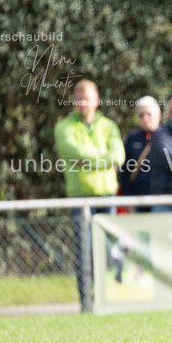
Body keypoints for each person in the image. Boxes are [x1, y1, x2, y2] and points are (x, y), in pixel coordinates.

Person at [53, 79, 125, 311]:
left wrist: (88, 162)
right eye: (79, 98)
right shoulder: (64, 126)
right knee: (84, 251)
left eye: (87, 98)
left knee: (109, 251)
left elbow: (119, 156)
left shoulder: (109, 125)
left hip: (107, 196)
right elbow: (72, 151)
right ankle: (86, 303)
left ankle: (109, 299)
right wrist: (104, 161)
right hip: (81, 197)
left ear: (97, 101)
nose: (82, 103)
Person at [119, 96, 167, 210]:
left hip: (163, 199)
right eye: (141, 115)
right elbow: (125, 171)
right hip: (138, 199)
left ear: (159, 116)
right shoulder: (132, 138)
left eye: (149, 114)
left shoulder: (167, 137)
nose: (145, 118)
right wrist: (127, 201)